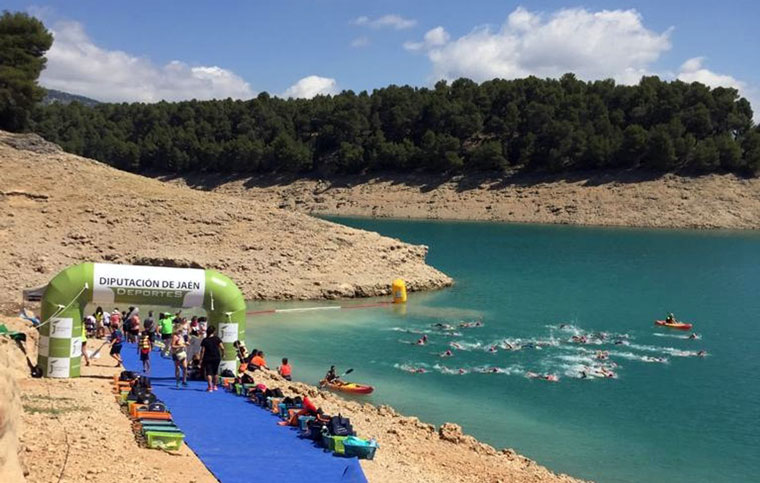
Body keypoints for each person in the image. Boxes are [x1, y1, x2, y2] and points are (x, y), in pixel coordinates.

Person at [199, 326, 224, 392]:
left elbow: (202, 351)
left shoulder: (205, 340)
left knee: (209, 372)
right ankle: (215, 386)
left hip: (207, 357)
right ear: (214, 331)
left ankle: (210, 387)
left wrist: (200, 359)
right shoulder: (217, 339)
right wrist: (223, 354)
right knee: (215, 372)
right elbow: (222, 348)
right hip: (216, 357)